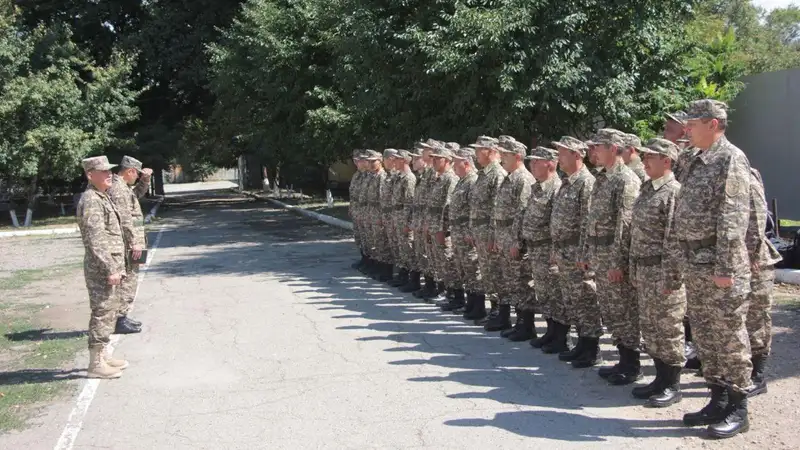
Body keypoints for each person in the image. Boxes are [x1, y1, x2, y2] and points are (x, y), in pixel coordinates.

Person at [671, 99, 753, 438]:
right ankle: (717, 399)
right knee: (705, 335)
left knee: (729, 337)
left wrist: (725, 267)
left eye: (693, 123)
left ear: (713, 125)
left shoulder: (730, 158)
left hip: (719, 266)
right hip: (695, 262)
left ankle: (738, 406)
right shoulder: (693, 160)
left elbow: (733, 219)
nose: (686, 129)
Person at [628, 138, 686, 408]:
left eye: (651, 156)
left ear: (667, 160)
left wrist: (671, 277)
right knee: (650, 327)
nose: (645, 160)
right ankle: (659, 379)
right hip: (643, 268)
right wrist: (633, 268)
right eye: (644, 156)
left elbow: (674, 239)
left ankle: (672, 384)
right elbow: (635, 233)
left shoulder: (673, 191)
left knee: (668, 327)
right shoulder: (647, 189)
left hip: (662, 271)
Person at [585, 128, 642, 381]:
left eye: (598, 146)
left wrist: (618, 261)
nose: (594, 151)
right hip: (600, 253)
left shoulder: (625, 180)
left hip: (613, 254)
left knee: (623, 309)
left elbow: (625, 224)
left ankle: (631, 364)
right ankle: (622, 358)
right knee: (610, 308)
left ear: (613, 148)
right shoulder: (602, 178)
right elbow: (592, 220)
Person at [76, 156, 129, 379]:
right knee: (102, 312)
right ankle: (95, 363)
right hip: (102, 269)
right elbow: (95, 239)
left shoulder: (102, 197)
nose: (109, 175)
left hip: (111, 265)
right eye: (104, 171)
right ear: (90, 175)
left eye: (110, 171)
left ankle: (104, 356)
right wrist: (110, 269)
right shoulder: (91, 200)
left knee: (109, 312)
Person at [549, 136, 601, 363]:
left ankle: (591, 348)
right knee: (572, 299)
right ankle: (581, 342)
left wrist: (584, 254)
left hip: (577, 253)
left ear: (577, 155)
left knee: (584, 299)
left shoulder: (586, 183)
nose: (559, 158)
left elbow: (587, 222)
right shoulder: (567, 181)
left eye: (563, 153)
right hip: (564, 251)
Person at [744, 168, 783, 397]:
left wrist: (751, 253)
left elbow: (758, 215)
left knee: (756, 317)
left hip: (755, 260)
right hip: (735, 259)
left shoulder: (742, 172)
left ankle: (757, 376)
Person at [519, 147, 563, 349]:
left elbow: (557, 223)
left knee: (555, 293)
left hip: (548, 249)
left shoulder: (556, 188)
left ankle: (561, 337)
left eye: (537, 161)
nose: (532, 165)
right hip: (535, 248)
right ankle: (550, 331)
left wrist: (555, 250)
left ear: (551, 164)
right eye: (532, 161)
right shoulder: (537, 187)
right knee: (544, 293)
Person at [492, 136, 535, 336]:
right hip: (504, 237)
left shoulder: (523, 179)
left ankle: (526, 325)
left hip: (513, 239)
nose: (501, 158)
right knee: (509, 281)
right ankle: (512, 320)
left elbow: (522, 213)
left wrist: (516, 241)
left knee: (520, 282)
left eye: (505, 155)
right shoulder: (509, 177)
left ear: (518, 156)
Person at [107, 156, 152, 335]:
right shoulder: (118, 189)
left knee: (132, 278)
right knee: (128, 280)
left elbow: (136, 196)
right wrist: (134, 243)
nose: (137, 178)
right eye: (137, 175)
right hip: (129, 244)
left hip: (134, 242)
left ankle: (123, 316)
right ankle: (119, 319)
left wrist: (145, 180)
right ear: (130, 171)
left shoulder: (124, 187)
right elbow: (125, 219)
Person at [466, 136, 507, 324]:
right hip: (479, 230)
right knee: (488, 272)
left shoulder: (497, 174)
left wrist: (493, 235)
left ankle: (499, 311)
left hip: (488, 232)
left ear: (490, 151)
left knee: (495, 272)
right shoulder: (484, 174)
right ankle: (493, 310)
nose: (475, 154)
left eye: (479, 150)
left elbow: (495, 209)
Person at [442, 147, 481, 314]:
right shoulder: (462, 180)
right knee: (464, 269)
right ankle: (469, 303)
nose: (453, 166)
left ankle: (478, 306)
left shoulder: (472, 181)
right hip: (458, 231)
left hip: (466, 233)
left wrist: (470, 232)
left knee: (472, 268)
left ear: (466, 163)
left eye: (456, 162)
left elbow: (474, 210)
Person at [425, 144, 459, 303]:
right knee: (439, 261)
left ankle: (451, 293)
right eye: (433, 159)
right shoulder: (438, 178)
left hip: (443, 229)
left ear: (447, 160)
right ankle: (443, 290)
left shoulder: (450, 178)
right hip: (434, 225)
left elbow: (447, 207)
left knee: (447, 261)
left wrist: (442, 229)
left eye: (437, 159)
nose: (433, 162)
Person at [388, 150, 417, 288]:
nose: (394, 161)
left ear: (405, 160)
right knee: (401, 249)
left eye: (398, 159)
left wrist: (407, 222)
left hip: (403, 218)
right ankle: (403, 275)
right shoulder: (400, 177)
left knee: (408, 249)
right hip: (397, 216)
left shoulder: (409, 178)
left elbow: (409, 203)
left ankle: (412, 279)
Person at [377, 149, 399, 282]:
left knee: (398, 247)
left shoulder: (397, 176)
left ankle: (397, 274)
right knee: (389, 245)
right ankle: (389, 272)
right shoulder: (389, 175)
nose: (384, 162)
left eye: (385, 159)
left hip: (395, 216)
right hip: (387, 215)